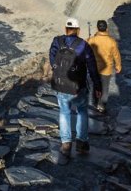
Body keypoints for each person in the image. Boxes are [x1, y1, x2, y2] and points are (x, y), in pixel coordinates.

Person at [49, 17, 102, 158]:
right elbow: (92, 67)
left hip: (60, 85)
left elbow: (52, 60)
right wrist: (97, 85)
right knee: (82, 111)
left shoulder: (57, 42)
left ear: (66, 29)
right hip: (79, 87)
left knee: (64, 112)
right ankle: (81, 142)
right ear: (78, 30)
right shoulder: (83, 45)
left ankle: (66, 144)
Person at [87, 19, 122, 113]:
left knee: (96, 85)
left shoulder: (92, 40)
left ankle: (95, 102)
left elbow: (86, 50)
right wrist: (118, 66)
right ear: (106, 28)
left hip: (94, 68)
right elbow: (116, 55)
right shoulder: (111, 41)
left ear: (97, 28)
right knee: (105, 88)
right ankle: (101, 105)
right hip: (107, 69)